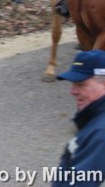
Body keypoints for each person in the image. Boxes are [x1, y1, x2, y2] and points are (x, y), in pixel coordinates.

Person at [53, 50, 105, 186]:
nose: (73, 91)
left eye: (81, 84)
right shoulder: (94, 121)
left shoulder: (100, 135)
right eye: (73, 84)